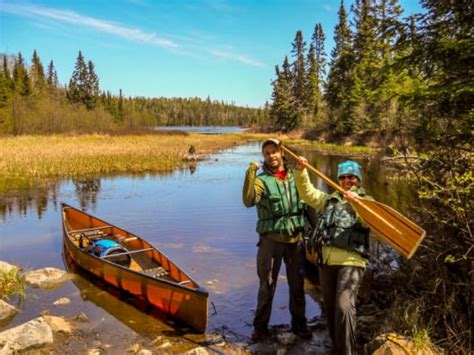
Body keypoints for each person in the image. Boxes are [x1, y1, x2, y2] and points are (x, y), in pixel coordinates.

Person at [294, 158, 371, 355]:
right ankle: (338, 347)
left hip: (352, 262)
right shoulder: (329, 201)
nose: (347, 181)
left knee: (344, 307)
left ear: (358, 180)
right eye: (343, 177)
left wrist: (357, 203)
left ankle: (348, 351)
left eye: (352, 177)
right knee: (330, 310)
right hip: (326, 263)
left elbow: (371, 221)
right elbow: (308, 193)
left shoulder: (368, 202)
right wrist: (301, 171)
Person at [242, 138, 312, 341]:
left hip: (295, 241)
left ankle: (299, 326)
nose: (271, 156)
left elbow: (310, 202)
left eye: (274, 151)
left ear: (282, 153)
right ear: (264, 157)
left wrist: (315, 235)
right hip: (270, 243)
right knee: (267, 285)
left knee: (297, 285)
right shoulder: (261, 180)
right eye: (267, 153)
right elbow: (248, 201)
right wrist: (250, 174)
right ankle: (260, 328)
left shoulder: (295, 177)